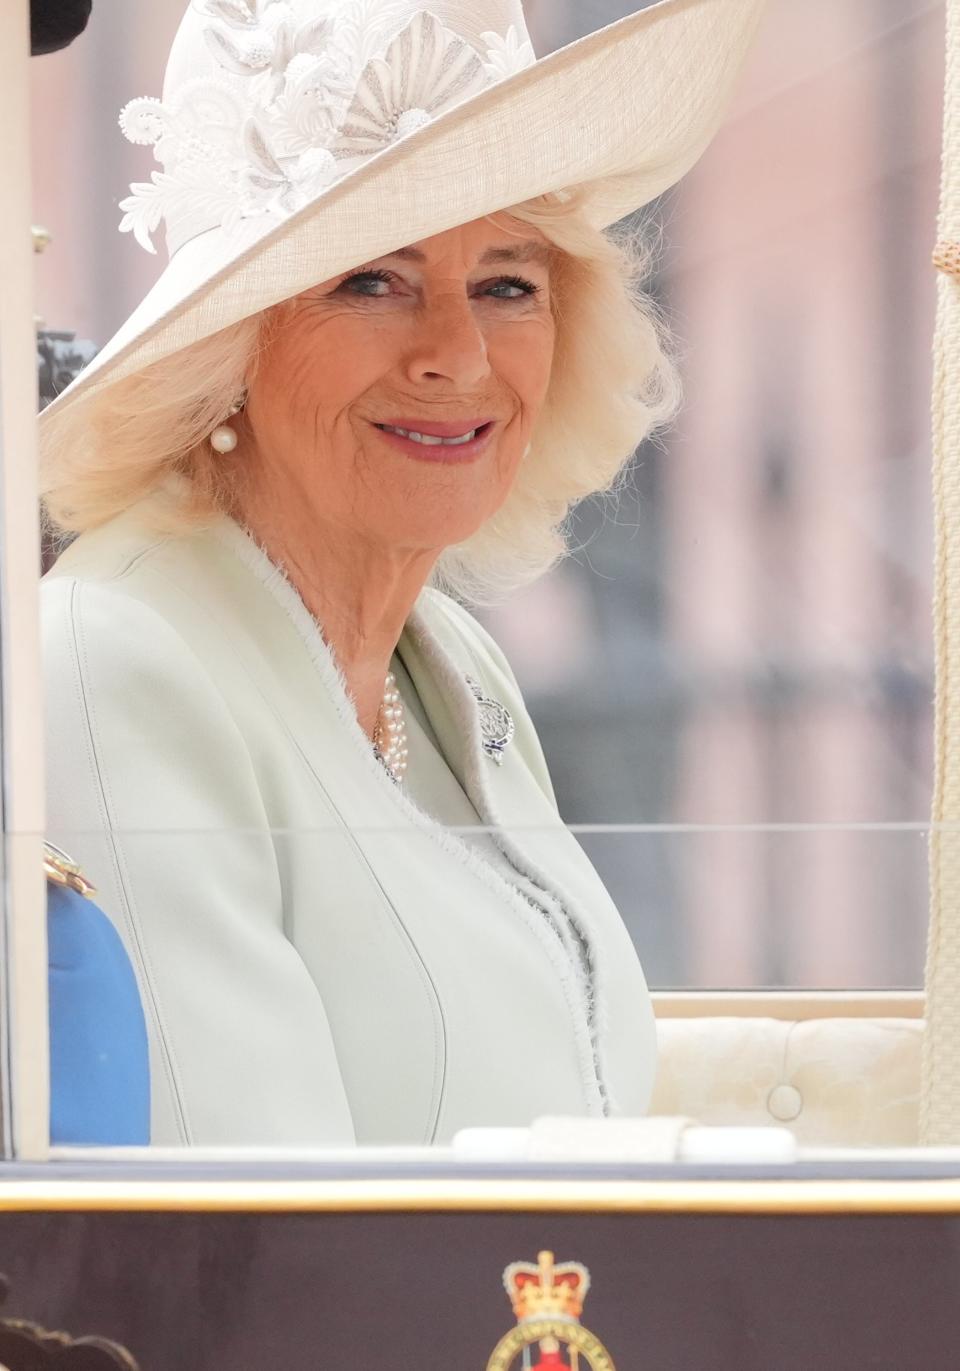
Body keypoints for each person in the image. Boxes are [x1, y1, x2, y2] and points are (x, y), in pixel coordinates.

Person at [38, 0, 766, 1146]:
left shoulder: (450, 658)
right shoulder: (108, 662)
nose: (457, 354)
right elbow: (243, 1254)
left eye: (508, 283)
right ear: (230, 346)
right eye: (372, 281)